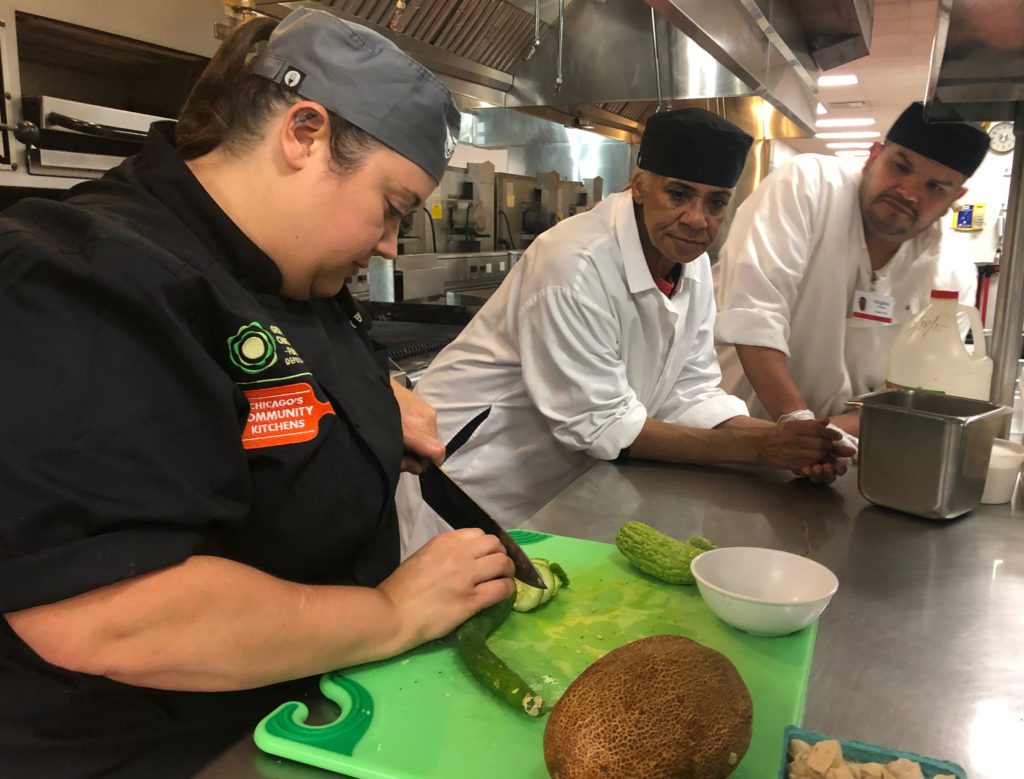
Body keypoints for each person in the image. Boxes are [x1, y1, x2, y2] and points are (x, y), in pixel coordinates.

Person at [0, 9, 516, 777]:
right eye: (393, 206)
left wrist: (371, 412)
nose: (386, 243)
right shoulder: (83, 277)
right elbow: (111, 616)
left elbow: (272, 387)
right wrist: (390, 612)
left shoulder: (285, 262)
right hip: (173, 753)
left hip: (299, 712)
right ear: (304, 133)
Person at [397, 108, 853, 556]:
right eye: (679, 195)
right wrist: (761, 447)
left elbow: (691, 391)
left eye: (715, 202)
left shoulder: (689, 268)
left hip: (551, 492)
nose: (698, 219)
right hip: (465, 484)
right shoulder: (574, 264)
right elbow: (601, 425)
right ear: (639, 186)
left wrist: (801, 441)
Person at [713, 103, 988, 442]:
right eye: (900, 167)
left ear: (955, 198)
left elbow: (925, 388)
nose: (908, 193)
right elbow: (753, 317)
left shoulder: (952, 274)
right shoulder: (807, 184)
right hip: (732, 437)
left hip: (845, 454)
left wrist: (818, 441)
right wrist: (797, 424)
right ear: (874, 156)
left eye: (935, 188)